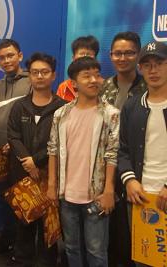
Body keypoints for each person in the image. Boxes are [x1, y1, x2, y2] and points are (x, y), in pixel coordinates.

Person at [47, 57, 119, 267]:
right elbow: (52, 149)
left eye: (97, 75)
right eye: (86, 76)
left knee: (96, 251)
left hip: (96, 195)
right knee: (71, 248)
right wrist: (52, 185)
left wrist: (108, 190)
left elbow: (112, 154)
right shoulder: (62, 113)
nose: (94, 80)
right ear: (74, 83)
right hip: (66, 195)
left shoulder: (110, 114)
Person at [7, 52, 66, 267]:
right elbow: (12, 135)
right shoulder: (19, 106)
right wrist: (27, 160)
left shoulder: (63, 107)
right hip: (22, 173)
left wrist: (37, 161)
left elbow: (61, 141)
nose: (39, 76)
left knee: (48, 223)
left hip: (50, 174)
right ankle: (22, 259)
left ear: (53, 76)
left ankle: (47, 261)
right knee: (24, 220)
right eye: (34, 72)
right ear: (29, 76)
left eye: (44, 72)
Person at [118, 41, 167, 265]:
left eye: (159, 63)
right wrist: (129, 181)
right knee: (143, 258)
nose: (153, 70)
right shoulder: (132, 106)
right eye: (147, 65)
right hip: (141, 196)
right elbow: (122, 148)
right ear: (140, 68)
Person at [0, 39, 31, 257]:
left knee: (22, 203)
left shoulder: (31, 82)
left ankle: (22, 248)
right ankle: (6, 241)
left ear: (20, 56)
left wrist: (16, 144)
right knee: (4, 203)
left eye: (10, 55)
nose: (6, 60)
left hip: (20, 155)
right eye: (1, 57)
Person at [100, 31, 145, 267]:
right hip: (107, 167)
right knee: (112, 227)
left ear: (138, 55)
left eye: (129, 53)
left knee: (135, 230)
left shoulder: (149, 85)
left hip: (137, 170)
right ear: (110, 55)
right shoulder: (103, 87)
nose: (123, 58)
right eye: (118, 53)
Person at [57, 35, 100, 102]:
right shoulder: (64, 87)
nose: (85, 58)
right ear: (73, 58)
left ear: (95, 58)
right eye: (82, 54)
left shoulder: (102, 84)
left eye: (88, 54)